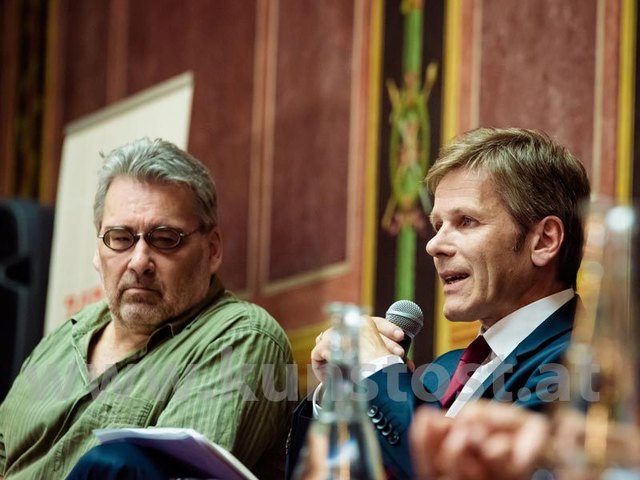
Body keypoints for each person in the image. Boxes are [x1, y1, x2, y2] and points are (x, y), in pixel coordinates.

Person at [288, 127, 591, 479]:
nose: (434, 245)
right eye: (437, 225)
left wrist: (378, 372)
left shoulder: (587, 363)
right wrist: (337, 393)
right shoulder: (444, 372)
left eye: (466, 222)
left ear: (544, 240)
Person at [0, 138, 295, 479]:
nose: (139, 262)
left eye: (165, 238)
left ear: (212, 249)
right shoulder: (59, 342)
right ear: (98, 249)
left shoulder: (241, 337)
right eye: (121, 238)